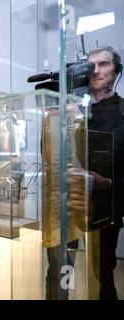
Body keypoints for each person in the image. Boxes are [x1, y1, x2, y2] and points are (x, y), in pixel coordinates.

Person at [87, 46, 124, 300]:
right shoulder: (73, 110)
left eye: (104, 64)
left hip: (107, 209)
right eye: (92, 66)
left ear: (117, 70)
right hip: (69, 209)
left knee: (103, 276)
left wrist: (107, 183)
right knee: (56, 273)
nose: (96, 71)